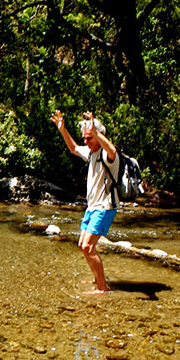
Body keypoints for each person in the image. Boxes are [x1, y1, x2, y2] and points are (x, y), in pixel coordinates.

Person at [51, 110, 120, 294]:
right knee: (82, 245)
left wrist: (96, 132)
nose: (86, 141)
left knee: (88, 247)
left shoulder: (108, 156)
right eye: (85, 138)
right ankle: (97, 279)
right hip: (92, 207)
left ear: (99, 136)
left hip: (105, 207)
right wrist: (62, 130)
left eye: (89, 137)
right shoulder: (90, 153)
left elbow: (112, 150)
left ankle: (102, 288)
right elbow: (73, 148)